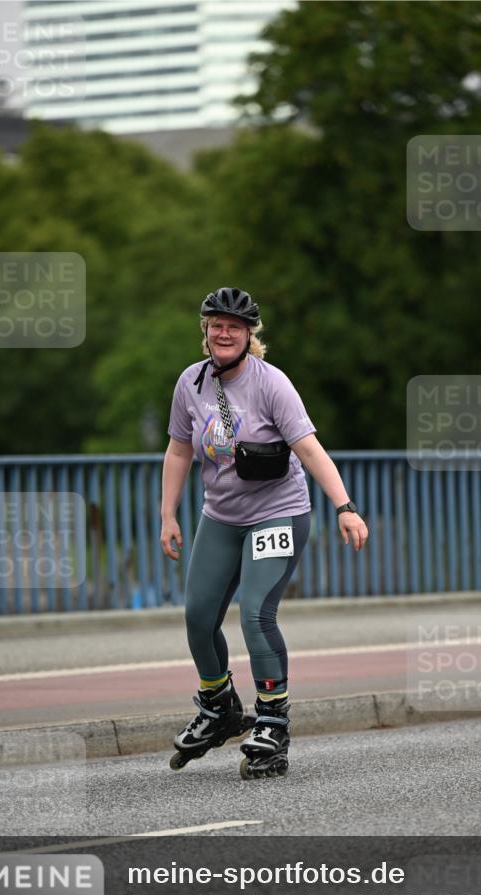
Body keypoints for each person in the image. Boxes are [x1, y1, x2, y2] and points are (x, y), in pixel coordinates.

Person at [161, 287, 368, 779]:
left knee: (256, 613)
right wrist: (168, 516)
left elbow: (311, 449)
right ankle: (219, 707)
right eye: (216, 324)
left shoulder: (272, 384)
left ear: (249, 334)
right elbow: (177, 452)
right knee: (197, 616)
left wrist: (345, 506)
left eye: (235, 325)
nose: (224, 332)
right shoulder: (190, 383)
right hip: (221, 517)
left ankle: (273, 720)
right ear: (205, 331)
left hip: (278, 513)